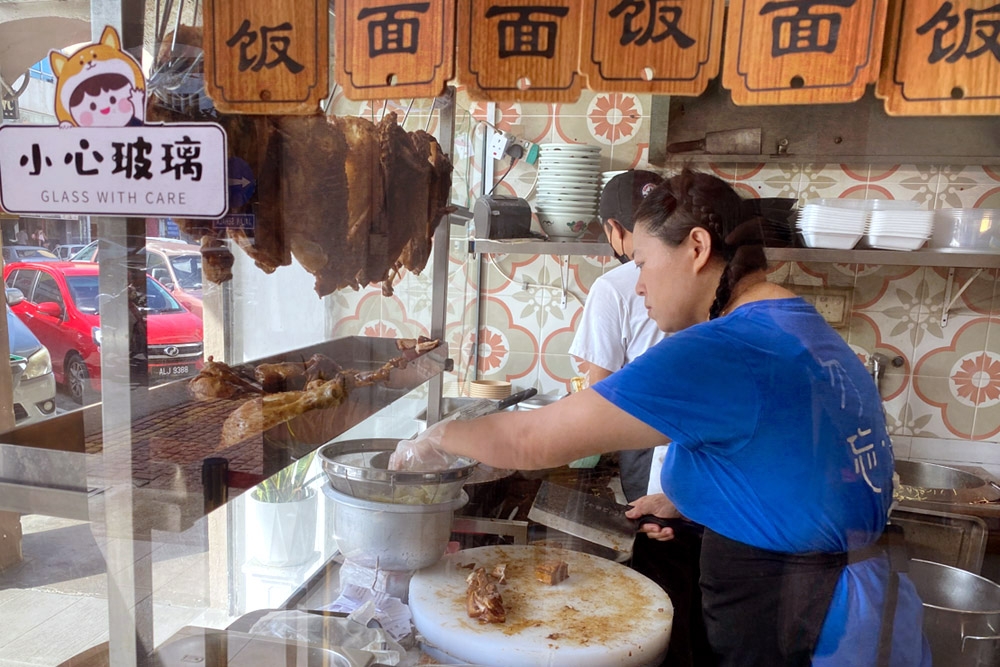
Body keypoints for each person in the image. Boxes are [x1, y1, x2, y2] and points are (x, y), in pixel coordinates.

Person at [392, 169, 930, 666]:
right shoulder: (799, 328)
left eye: (643, 263)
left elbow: (533, 440)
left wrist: (438, 437)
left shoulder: (721, 349)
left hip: (807, 626)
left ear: (696, 248)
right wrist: (688, 500)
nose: (640, 285)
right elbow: (793, 457)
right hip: (863, 605)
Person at [570, 169, 710, 666]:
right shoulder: (714, 287)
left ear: (614, 228)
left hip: (658, 465)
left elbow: (599, 397)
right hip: (708, 480)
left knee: (658, 606)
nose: (642, 281)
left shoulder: (614, 286)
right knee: (695, 607)